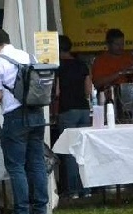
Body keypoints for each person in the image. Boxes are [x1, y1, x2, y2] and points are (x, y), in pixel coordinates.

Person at [0, 27, 49, 214]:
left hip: (15, 117)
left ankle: (22, 213)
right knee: (37, 163)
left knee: (16, 166)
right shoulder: (28, 56)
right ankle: (40, 210)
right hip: (37, 113)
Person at [55, 34, 92, 200]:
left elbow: (56, 92)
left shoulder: (58, 66)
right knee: (83, 150)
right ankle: (87, 188)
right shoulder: (82, 65)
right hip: (83, 109)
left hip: (67, 110)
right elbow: (88, 90)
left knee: (70, 151)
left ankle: (73, 190)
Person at [91, 28, 133, 104]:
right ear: (108, 44)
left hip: (130, 98)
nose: (120, 47)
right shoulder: (100, 60)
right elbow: (97, 83)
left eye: (122, 44)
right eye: (117, 44)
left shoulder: (130, 57)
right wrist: (119, 73)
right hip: (108, 99)